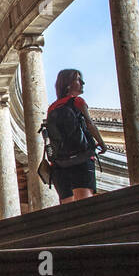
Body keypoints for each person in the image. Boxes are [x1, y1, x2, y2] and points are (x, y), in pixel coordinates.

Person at [42, 68, 106, 204]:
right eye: (78, 79)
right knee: (85, 202)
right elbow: (90, 124)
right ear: (68, 84)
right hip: (81, 158)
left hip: (60, 162)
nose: (82, 82)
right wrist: (101, 142)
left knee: (66, 204)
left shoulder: (52, 108)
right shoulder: (78, 101)